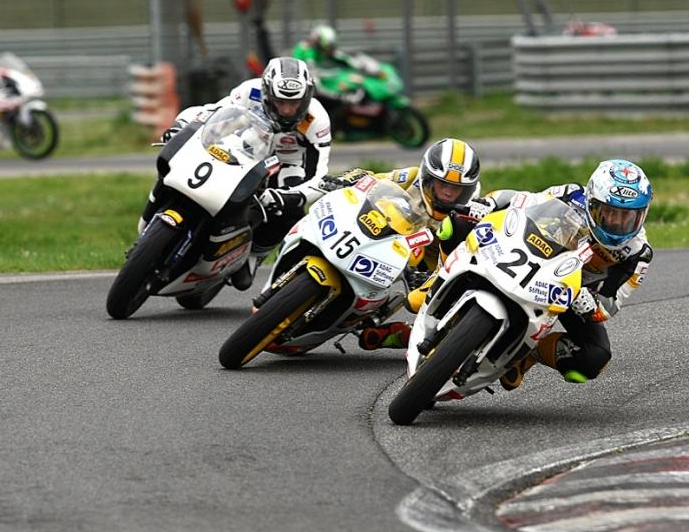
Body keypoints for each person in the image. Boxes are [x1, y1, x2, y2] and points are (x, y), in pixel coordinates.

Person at [138, 56, 332, 291]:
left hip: (287, 164)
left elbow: (319, 175)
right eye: (280, 102)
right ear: (267, 93)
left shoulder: (316, 119)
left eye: (295, 103)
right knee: (181, 160)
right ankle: (157, 213)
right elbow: (210, 112)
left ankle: (253, 256)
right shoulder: (250, 91)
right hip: (245, 147)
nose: (288, 110)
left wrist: (292, 196)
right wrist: (181, 127)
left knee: (289, 211)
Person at [465, 159, 653, 390]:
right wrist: (489, 203)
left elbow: (612, 303)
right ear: (592, 202)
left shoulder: (638, 253)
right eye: (609, 212)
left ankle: (525, 353)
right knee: (459, 225)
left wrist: (592, 305)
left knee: (595, 357)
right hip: (532, 255)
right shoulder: (572, 195)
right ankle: (432, 284)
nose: (616, 222)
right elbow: (522, 200)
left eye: (627, 217)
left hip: (571, 295)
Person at [320, 137, 487, 350]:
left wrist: (437, 277)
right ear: (428, 177)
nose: (448, 192)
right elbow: (375, 179)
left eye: (456, 188)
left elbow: (469, 255)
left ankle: (401, 333)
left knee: (446, 322)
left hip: (432, 266)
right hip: (389, 238)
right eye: (443, 184)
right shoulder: (412, 177)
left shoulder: (472, 209)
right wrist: (347, 179)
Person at [292, 25, 380, 105]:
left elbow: (340, 56)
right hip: (301, 90)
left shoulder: (320, 50)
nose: (330, 51)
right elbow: (316, 84)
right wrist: (341, 97)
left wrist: (362, 66)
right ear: (319, 44)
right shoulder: (308, 54)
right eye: (328, 48)